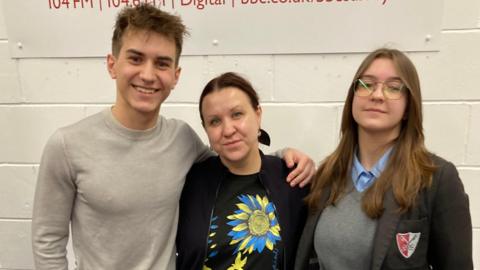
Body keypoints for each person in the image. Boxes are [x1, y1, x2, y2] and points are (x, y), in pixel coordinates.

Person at [31, 4, 314, 270]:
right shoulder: (67, 145)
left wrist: (283, 157)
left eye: (162, 63)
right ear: (111, 64)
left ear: (176, 76)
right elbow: (47, 241)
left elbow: (233, 156)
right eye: (135, 58)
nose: (148, 74)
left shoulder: (181, 139)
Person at [295, 48, 473, 270]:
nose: (377, 95)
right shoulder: (329, 174)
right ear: (353, 98)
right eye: (367, 84)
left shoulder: (437, 179)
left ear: (408, 107)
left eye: (393, 88)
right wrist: (284, 154)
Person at [176, 72, 308, 270]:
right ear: (206, 130)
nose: (228, 130)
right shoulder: (188, 184)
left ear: (258, 115)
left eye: (237, 114)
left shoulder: (291, 180)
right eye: (215, 121)